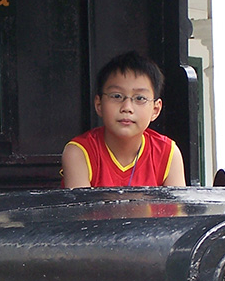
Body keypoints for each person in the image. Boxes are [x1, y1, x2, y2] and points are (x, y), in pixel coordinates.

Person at [62, 51, 186, 188]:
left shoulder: (167, 153)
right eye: (117, 96)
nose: (127, 108)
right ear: (99, 104)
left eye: (140, 98)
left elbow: (176, 202)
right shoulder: (80, 152)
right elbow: (81, 203)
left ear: (155, 109)